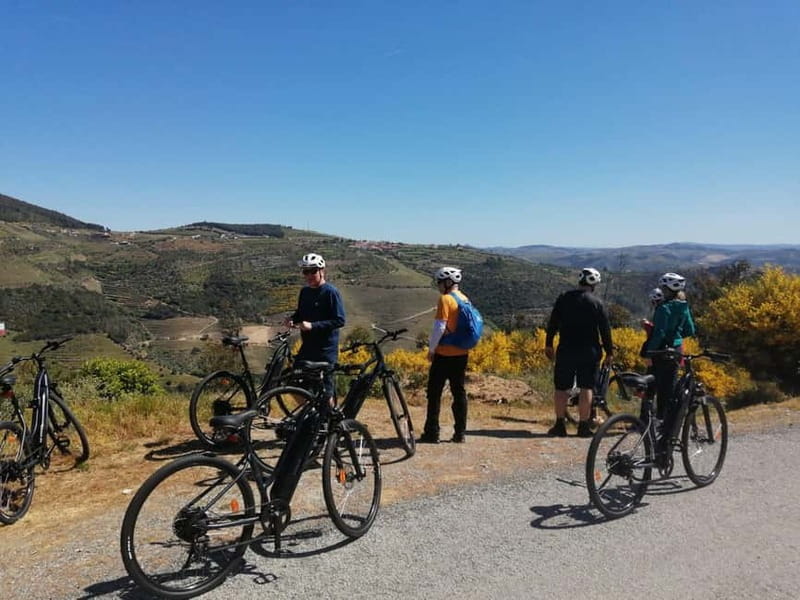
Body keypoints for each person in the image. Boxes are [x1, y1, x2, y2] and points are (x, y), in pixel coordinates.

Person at [544, 267, 613, 438]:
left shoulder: (564, 298)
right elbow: (605, 330)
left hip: (566, 349)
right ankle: (583, 426)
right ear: (594, 284)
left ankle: (560, 425)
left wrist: (548, 344)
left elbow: (552, 323)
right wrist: (610, 352)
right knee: (586, 388)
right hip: (589, 351)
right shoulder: (597, 303)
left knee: (561, 388)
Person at [419, 266, 471, 444]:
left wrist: (431, 349)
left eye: (440, 283)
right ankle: (460, 433)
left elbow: (440, 327)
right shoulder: (465, 299)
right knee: (459, 392)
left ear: (447, 283)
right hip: (462, 353)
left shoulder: (445, 299)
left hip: (444, 354)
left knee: (434, 393)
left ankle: (432, 432)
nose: (439, 286)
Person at [644, 272, 696, 446]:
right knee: (671, 387)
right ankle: (669, 424)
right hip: (676, 350)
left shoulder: (663, 308)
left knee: (654, 384)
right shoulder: (684, 306)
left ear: (666, 290)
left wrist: (649, 352)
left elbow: (659, 333)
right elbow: (690, 330)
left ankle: (653, 421)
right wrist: (677, 335)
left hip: (661, 352)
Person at [284, 253, 346, 400]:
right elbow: (300, 314)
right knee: (294, 386)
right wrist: (292, 320)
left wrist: (313, 326)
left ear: (322, 270)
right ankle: (312, 419)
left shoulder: (331, 292)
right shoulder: (305, 292)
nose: (309, 275)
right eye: (306, 272)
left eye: (313, 271)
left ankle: (331, 422)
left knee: (325, 394)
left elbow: (339, 320)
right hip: (307, 349)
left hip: (325, 351)